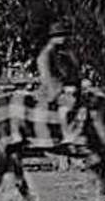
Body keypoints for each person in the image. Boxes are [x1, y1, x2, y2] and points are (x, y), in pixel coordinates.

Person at [36, 19, 87, 147]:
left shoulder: (65, 53)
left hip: (71, 88)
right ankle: (66, 135)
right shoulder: (45, 55)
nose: (63, 38)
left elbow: (74, 71)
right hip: (52, 90)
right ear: (52, 38)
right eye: (59, 35)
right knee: (65, 107)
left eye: (64, 35)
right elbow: (47, 78)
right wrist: (63, 89)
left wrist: (81, 81)